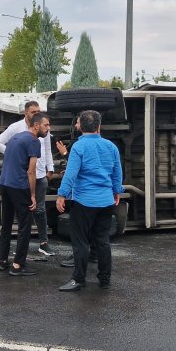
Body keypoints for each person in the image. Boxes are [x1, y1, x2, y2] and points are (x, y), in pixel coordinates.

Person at [56, 110, 123, 292]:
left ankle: (78, 279)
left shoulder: (79, 147)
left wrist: (62, 194)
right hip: (106, 201)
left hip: (84, 202)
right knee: (102, 241)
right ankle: (105, 278)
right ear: (99, 126)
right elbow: (117, 173)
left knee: (81, 242)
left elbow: (71, 173)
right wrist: (116, 191)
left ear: (80, 127)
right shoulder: (111, 146)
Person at [0, 101, 56, 257]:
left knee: (39, 211)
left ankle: (43, 243)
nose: (37, 113)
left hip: (38, 175)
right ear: (26, 113)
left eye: (38, 111)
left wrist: (51, 168)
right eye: (33, 111)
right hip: (22, 179)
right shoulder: (18, 130)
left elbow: (47, 149)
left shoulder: (43, 131)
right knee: (22, 218)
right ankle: (19, 257)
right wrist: (16, 155)